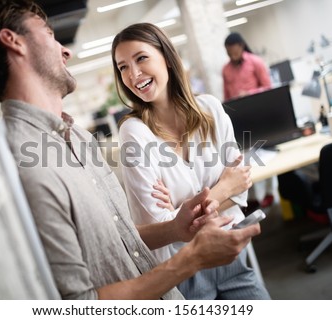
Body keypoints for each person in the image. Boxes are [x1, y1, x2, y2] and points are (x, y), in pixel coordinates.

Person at [0, 0, 261, 300]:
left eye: (142, 59)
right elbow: (79, 303)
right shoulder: (21, 160)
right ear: (13, 41)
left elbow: (123, 237)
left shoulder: (77, 137)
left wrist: (175, 227)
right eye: (49, 34)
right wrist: (192, 257)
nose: (65, 50)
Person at [112, 23, 270, 299]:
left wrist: (182, 209)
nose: (133, 74)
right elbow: (160, 224)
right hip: (182, 274)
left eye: (141, 58)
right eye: (122, 67)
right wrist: (223, 189)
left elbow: (242, 187)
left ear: (167, 59)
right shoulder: (134, 133)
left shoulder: (210, 109)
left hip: (231, 257)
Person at [222, 32, 274, 210]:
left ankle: (269, 192)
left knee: (264, 154)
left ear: (241, 46)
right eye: (228, 53)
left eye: (233, 52)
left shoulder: (256, 62)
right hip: (240, 118)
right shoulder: (226, 69)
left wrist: (249, 94)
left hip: (258, 115)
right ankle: (250, 196)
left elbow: (268, 88)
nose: (231, 56)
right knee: (243, 158)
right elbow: (227, 96)